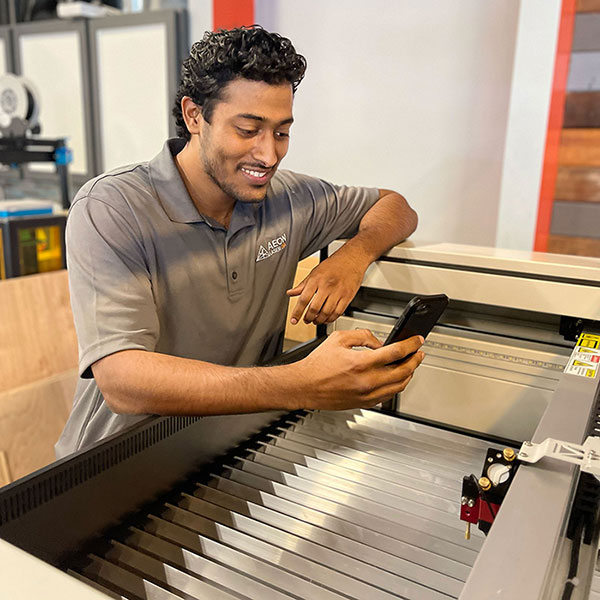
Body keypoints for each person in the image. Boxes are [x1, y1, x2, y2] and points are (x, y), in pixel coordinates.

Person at [55, 26, 421, 458]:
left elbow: (396, 207)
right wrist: (303, 383)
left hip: (226, 452)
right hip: (113, 467)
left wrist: (352, 256)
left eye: (282, 132)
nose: (269, 156)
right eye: (248, 130)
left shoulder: (289, 199)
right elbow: (123, 381)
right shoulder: (112, 208)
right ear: (194, 116)